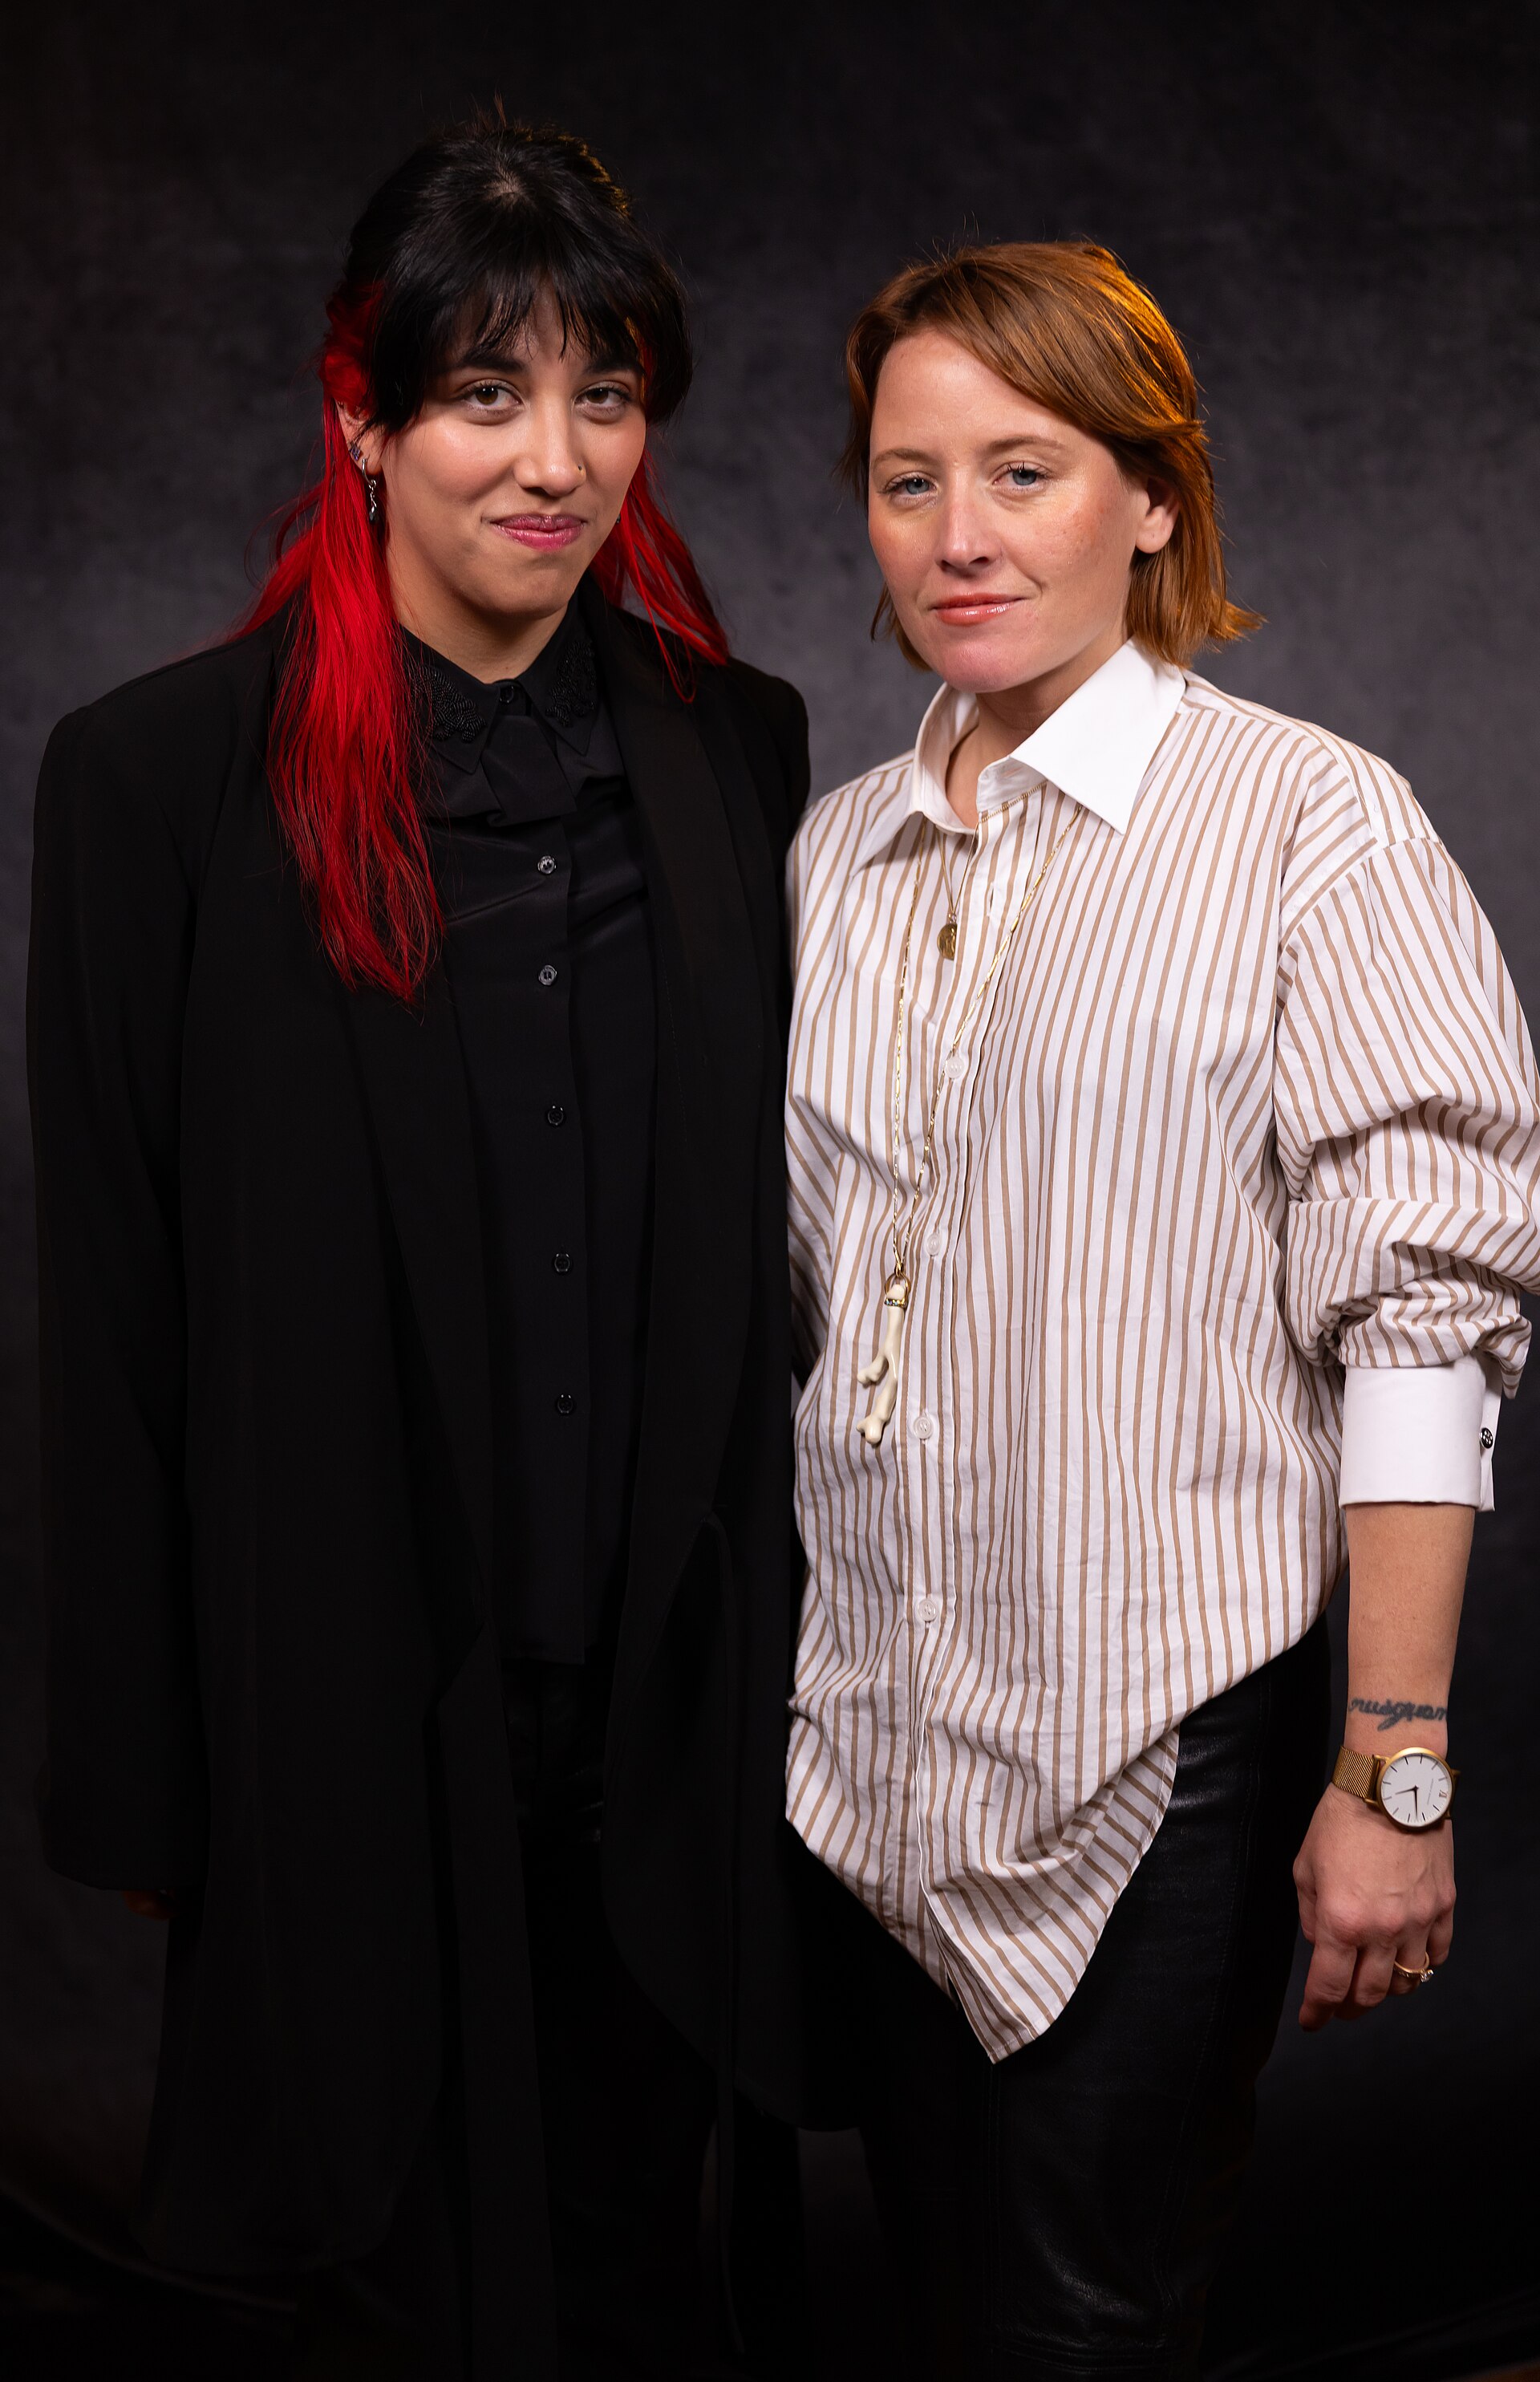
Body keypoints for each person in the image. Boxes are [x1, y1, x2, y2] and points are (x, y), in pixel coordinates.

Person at [29, 114, 819, 2381]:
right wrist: (151, 1780)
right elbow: (112, 1307)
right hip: (342, 1699)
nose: (554, 462)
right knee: (386, 2296)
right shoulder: (158, 780)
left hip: (670, 1704)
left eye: (603, 393)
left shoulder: (738, 751)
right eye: (485, 394)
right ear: (362, 417)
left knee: (641, 2270)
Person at [782, 241, 1540, 2377]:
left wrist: (1394, 1768)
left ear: (1152, 496)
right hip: (867, 1753)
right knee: (931, 2308)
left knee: (1088, 2333)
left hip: (1157, 1746)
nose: (961, 533)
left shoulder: (1312, 825)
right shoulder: (833, 859)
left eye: (1023, 470)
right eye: (909, 480)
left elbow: (1419, 1322)